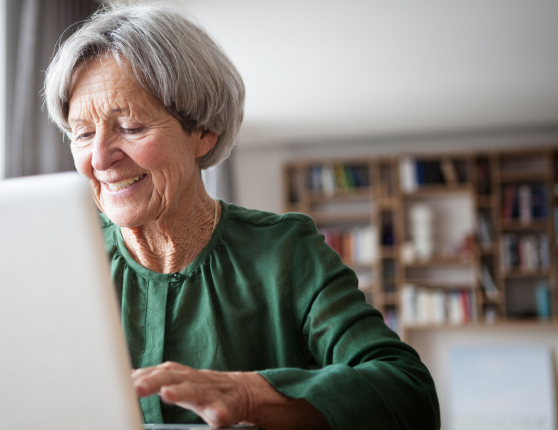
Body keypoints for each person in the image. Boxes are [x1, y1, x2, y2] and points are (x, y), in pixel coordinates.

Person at [43, 3, 440, 429]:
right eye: (82, 133)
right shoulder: (65, 263)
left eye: (132, 127)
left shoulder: (286, 253)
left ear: (203, 132)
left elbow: (407, 393)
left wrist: (253, 396)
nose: (99, 157)